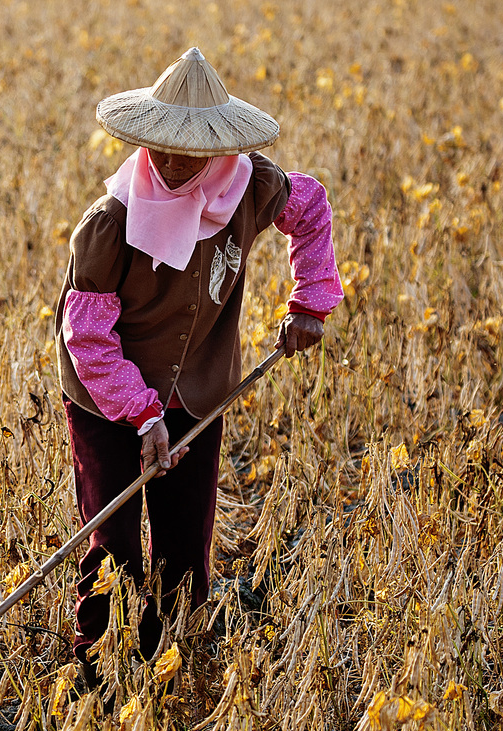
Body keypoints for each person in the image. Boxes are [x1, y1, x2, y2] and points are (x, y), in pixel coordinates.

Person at [54, 47, 343, 688]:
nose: (177, 162)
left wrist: (310, 301)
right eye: (162, 147)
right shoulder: (109, 225)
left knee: (185, 550)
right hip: (108, 400)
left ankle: (168, 668)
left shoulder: (251, 187)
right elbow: (88, 335)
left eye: (192, 150)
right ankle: (98, 677)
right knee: (115, 545)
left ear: (219, 148)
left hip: (199, 393)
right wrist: (141, 414)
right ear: (143, 139)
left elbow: (313, 210)